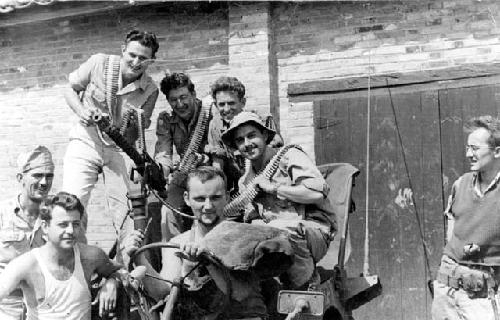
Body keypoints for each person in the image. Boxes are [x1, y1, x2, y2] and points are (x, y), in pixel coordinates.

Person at [61, 29, 160, 263]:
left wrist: (128, 125)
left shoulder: (150, 90)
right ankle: (75, 263)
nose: (136, 62)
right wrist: (82, 111)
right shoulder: (99, 63)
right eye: (132, 55)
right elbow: (70, 89)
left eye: (143, 58)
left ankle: (130, 269)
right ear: (122, 50)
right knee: (72, 203)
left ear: (151, 61)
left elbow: (137, 131)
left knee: (128, 208)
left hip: (118, 148)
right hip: (86, 140)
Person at [123, 167, 267, 320]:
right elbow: (164, 293)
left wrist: (207, 261)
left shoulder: (245, 237)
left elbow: (241, 294)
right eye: (200, 199)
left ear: (227, 197)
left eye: (215, 198)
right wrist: (138, 256)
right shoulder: (178, 243)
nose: (208, 206)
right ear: (186, 198)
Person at [221, 111, 336, 289]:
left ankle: (306, 285)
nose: (247, 144)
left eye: (252, 135)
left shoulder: (289, 156)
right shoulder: (246, 180)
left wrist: (274, 188)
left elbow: (316, 194)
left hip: (313, 232)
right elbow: (251, 219)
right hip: (274, 239)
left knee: (282, 229)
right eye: (240, 140)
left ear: (265, 135)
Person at [0, 192, 120, 320]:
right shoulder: (26, 264)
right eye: (63, 225)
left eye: (76, 224)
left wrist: (113, 282)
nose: (71, 231)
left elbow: (120, 271)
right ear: (45, 227)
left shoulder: (91, 256)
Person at [432, 116, 500, 320]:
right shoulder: (460, 184)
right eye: (467, 148)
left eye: (475, 148)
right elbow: (451, 228)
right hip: (446, 292)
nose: (468, 154)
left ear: (497, 151)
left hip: (482, 298)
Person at [154, 72, 213, 240]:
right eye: (174, 100)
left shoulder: (209, 112)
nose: (180, 104)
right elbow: (163, 152)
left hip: (213, 173)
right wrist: (161, 171)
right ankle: (172, 253)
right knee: (166, 209)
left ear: (193, 94)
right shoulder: (166, 119)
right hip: (185, 175)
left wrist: (204, 158)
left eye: (183, 97)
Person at [0, 146, 55, 319]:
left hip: (46, 306)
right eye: (37, 175)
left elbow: (76, 259)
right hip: (7, 307)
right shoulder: (3, 213)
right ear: (20, 178)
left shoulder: (59, 215)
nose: (44, 182)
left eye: (49, 176)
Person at [206, 76, 283, 194]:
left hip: (266, 178)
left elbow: (278, 145)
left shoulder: (258, 118)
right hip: (237, 184)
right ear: (216, 105)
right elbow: (218, 163)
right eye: (221, 104)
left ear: (243, 102)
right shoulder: (215, 125)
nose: (226, 109)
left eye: (231, 103)